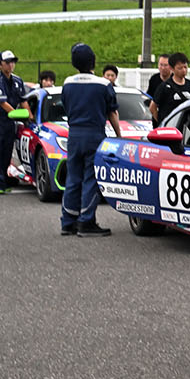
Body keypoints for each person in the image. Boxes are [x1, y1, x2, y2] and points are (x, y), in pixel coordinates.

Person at [60, 43, 122, 237]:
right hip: (94, 133)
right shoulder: (103, 84)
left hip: (74, 133)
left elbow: (66, 106)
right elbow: (112, 112)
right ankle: (86, 221)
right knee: (91, 177)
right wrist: (119, 136)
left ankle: (68, 221)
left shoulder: (68, 82)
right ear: (93, 60)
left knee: (73, 177)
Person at [0, 50, 28, 194]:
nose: (11, 65)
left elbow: (23, 100)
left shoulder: (18, 80)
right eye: (7, 62)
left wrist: (29, 117)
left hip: (9, 121)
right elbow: (2, 103)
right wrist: (17, 114)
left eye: (13, 62)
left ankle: (4, 178)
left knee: (6, 151)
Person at [150, 52, 190, 125]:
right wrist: (162, 123)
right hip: (170, 130)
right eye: (180, 68)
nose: (183, 70)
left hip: (187, 129)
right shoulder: (164, 86)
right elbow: (152, 107)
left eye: (185, 67)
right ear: (172, 68)